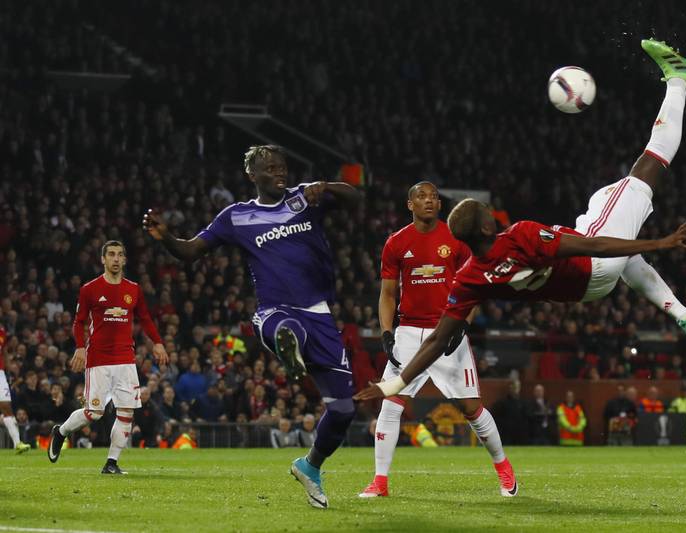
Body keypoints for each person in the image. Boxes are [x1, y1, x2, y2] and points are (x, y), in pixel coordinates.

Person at [356, 40, 686, 403]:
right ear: (485, 228)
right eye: (488, 214)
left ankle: (683, 314)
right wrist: (658, 243)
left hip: (585, 292)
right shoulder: (520, 236)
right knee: (649, 165)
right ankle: (680, 78)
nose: (494, 214)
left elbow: (436, 340)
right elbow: (596, 245)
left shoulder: (469, 278)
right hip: (593, 262)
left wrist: (393, 384)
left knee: (601, 203)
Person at [144, 144, 359, 508]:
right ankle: (290, 346)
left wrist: (326, 186)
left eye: (283, 167)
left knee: (343, 411)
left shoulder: (304, 199)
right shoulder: (236, 217)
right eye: (271, 168)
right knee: (287, 328)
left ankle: (310, 466)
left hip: (320, 312)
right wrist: (165, 238)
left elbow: (356, 198)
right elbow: (192, 250)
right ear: (252, 175)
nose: (280, 173)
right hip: (274, 310)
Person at [359, 182, 516, 499]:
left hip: (447, 329)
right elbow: (388, 294)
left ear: (439, 205)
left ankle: (504, 470)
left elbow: (474, 285)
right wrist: (387, 332)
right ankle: (380, 481)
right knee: (391, 406)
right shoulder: (396, 243)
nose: (428, 201)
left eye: (432, 197)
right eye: (421, 196)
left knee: (471, 408)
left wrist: (463, 325)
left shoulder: (456, 240)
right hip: (408, 334)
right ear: (410, 204)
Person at [48, 241, 169, 474]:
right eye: (111, 254)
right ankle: (60, 432)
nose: (115, 259)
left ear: (124, 260)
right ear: (103, 259)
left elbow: (145, 318)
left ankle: (111, 463)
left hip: (125, 358)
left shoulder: (133, 289)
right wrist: (80, 347)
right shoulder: (90, 289)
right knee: (94, 412)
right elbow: (79, 321)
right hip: (98, 359)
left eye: (120, 255)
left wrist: (158, 342)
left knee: (126, 411)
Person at [1, 325, 31, 453]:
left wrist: (9, 371)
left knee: (6, 406)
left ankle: (17, 443)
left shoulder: (2, 331)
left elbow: (4, 352)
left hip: (0, 373)